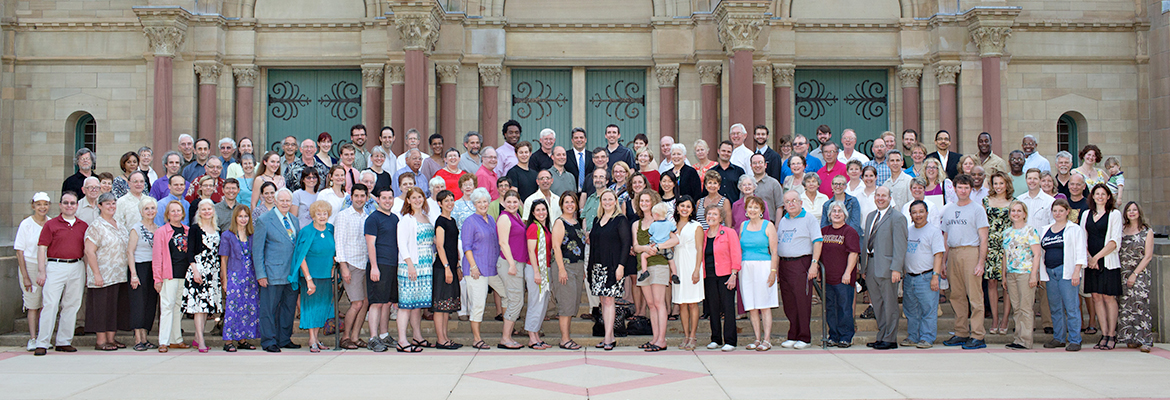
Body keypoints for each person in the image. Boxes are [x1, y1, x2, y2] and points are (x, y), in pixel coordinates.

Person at [32, 191, 89, 357]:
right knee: (50, 304)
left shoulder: (83, 226)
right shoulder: (51, 225)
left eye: (72, 203)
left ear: (77, 206)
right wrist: (42, 271)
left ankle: (64, 341)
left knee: (72, 304)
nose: (69, 206)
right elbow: (42, 248)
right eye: (66, 203)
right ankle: (42, 342)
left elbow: (86, 251)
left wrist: (86, 271)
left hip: (76, 265)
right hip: (55, 266)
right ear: (60, 205)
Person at [939, 175, 990, 350]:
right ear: (954, 188)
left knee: (975, 296)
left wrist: (980, 262)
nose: (963, 190)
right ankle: (961, 332)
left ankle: (977, 334)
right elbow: (945, 237)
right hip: (953, 252)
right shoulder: (948, 210)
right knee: (957, 295)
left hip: (971, 251)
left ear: (970, 189)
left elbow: (984, 238)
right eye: (960, 187)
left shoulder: (977, 209)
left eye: (966, 188)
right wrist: (943, 262)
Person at [859, 187, 907, 350]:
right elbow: (866, 242)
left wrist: (896, 269)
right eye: (878, 195)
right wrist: (864, 267)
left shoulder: (897, 217)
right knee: (877, 304)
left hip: (888, 267)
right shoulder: (871, 216)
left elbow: (900, 246)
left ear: (890, 197)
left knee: (889, 303)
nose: (880, 198)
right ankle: (882, 335)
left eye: (883, 196)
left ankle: (890, 338)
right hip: (871, 266)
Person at [254, 189, 301, 353]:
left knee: (288, 308)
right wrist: (261, 274)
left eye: (288, 201)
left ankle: (284, 338)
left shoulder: (294, 220)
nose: (285, 203)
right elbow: (257, 250)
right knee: (269, 309)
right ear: (275, 201)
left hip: (291, 274)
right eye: (282, 200)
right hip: (272, 273)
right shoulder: (264, 220)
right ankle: (269, 340)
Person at [81, 192, 129, 351]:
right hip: (102, 274)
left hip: (118, 274)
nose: (111, 206)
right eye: (107, 203)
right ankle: (101, 341)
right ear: (99, 206)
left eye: (113, 203)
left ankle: (111, 339)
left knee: (113, 307)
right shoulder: (96, 226)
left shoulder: (120, 225)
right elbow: (89, 251)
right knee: (101, 308)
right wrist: (96, 274)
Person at [288, 200, 336, 353]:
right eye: (319, 214)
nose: (322, 216)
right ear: (312, 215)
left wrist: (334, 267)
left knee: (322, 307)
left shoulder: (330, 229)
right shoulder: (307, 231)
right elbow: (301, 256)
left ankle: (316, 337)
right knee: (311, 308)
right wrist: (308, 279)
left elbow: (333, 251)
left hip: (326, 276)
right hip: (311, 276)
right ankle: (311, 339)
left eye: (325, 213)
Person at [776, 190, 822, 349]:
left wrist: (814, 264)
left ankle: (805, 337)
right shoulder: (783, 220)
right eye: (787, 201)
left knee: (802, 301)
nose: (791, 204)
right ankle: (793, 335)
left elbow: (817, 241)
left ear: (800, 202)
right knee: (789, 302)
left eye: (794, 200)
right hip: (784, 264)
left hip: (801, 263)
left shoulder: (809, 219)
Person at [631, 192, 677, 352]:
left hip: (658, 264)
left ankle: (662, 340)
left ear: (653, 202)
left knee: (659, 303)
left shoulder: (662, 221)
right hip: (642, 267)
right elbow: (635, 246)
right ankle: (655, 338)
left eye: (647, 200)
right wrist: (645, 248)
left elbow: (675, 240)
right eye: (641, 200)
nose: (644, 203)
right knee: (651, 304)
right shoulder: (636, 224)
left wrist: (657, 247)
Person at [589, 189, 633, 350]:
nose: (607, 202)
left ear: (615, 201)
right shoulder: (596, 220)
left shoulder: (620, 220)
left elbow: (625, 244)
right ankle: (610, 336)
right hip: (598, 267)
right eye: (604, 199)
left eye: (610, 199)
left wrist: (621, 266)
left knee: (609, 301)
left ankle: (608, 337)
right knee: (603, 301)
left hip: (613, 267)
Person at [1040, 199, 1086, 351]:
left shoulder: (1074, 229)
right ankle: (1059, 338)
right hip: (1050, 272)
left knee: (1071, 307)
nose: (1057, 214)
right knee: (1055, 307)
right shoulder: (1045, 229)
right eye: (1055, 211)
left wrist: (1076, 271)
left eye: (1061, 210)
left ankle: (1074, 339)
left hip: (1067, 272)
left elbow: (1080, 251)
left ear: (1067, 211)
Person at [735, 196, 780, 351]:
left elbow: (774, 251)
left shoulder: (768, 225)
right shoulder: (743, 225)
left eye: (756, 207)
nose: (752, 210)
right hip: (746, 267)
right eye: (750, 207)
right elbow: (740, 249)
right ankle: (757, 338)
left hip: (764, 266)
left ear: (761, 210)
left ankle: (767, 340)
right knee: (752, 305)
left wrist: (773, 271)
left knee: (764, 304)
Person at [1081, 183, 1123, 350]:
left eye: (1103, 194)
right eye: (1097, 194)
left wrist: (1097, 257)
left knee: (1108, 297)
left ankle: (1112, 334)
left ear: (1108, 197)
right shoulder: (1086, 214)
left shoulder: (1114, 214)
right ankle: (1104, 334)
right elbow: (1082, 239)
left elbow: (1114, 241)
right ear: (1092, 196)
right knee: (1096, 297)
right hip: (1091, 263)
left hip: (1108, 262)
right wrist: (1090, 258)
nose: (1100, 196)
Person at [395, 187, 435, 352]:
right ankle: (402, 340)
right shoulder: (406, 219)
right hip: (411, 266)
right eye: (414, 198)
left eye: (420, 197)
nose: (418, 200)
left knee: (417, 305)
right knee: (406, 305)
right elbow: (402, 244)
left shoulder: (426, 217)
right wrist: (410, 265)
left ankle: (417, 336)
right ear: (408, 200)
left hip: (426, 266)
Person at [698, 204, 741, 351]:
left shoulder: (728, 232)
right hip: (709, 276)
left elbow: (736, 253)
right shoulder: (703, 235)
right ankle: (715, 338)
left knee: (728, 308)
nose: (711, 217)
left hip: (726, 275)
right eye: (709, 214)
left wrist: (734, 274)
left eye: (715, 214)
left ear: (721, 217)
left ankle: (730, 341)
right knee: (713, 308)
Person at [217, 204, 260, 352]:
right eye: (240, 216)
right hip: (235, 275)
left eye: (246, 216)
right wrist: (225, 280)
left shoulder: (251, 235)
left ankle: (243, 339)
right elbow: (224, 259)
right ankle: (228, 341)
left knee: (248, 307)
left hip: (250, 276)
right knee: (233, 308)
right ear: (235, 217)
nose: (243, 219)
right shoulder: (227, 235)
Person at [1001, 200, 1043, 349]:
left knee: (1025, 308)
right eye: (1013, 211)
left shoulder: (1030, 231)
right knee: (1016, 308)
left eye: (1019, 211)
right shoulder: (1006, 233)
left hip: (1025, 273)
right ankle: (1018, 338)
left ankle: (1026, 340)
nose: (1016, 213)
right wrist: (1004, 275)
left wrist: (1033, 275)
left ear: (1024, 214)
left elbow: (1037, 254)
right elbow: (1005, 255)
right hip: (1011, 274)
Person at [903, 200, 945, 348]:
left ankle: (927, 337)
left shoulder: (933, 232)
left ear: (927, 213)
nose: (918, 215)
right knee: (911, 310)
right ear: (910, 215)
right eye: (914, 212)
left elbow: (938, 255)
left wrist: (935, 276)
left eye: (921, 211)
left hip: (926, 276)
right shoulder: (908, 230)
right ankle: (913, 336)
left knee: (928, 309)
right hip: (910, 277)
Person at [334, 184, 371, 350]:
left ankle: (355, 337)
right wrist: (343, 266)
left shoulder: (367, 216)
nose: (359, 199)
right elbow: (339, 242)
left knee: (365, 302)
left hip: (365, 263)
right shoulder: (343, 216)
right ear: (351, 197)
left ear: (367, 198)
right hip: (351, 263)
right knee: (356, 303)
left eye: (362, 196)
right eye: (356, 196)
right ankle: (345, 337)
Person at [14, 193, 51, 351]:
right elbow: (19, 252)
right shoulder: (26, 224)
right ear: (33, 206)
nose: (42, 207)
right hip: (30, 265)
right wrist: (26, 276)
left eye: (45, 204)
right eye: (39, 204)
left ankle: (43, 338)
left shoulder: (51, 223)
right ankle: (33, 338)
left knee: (46, 304)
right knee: (32, 304)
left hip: (48, 265)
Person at [122, 196, 160, 352]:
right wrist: (133, 274)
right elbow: (130, 252)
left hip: (153, 268)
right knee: (138, 302)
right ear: (141, 211)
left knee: (150, 303)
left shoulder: (158, 228)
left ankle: (146, 337)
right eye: (146, 208)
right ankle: (138, 338)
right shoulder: (136, 228)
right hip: (138, 267)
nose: (150, 211)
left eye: (152, 208)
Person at [364, 189, 400, 352]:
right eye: (384, 198)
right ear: (377, 199)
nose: (387, 201)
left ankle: (384, 335)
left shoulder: (394, 218)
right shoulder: (372, 219)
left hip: (393, 265)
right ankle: (373, 338)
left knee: (386, 303)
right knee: (376, 303)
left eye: (390, 198)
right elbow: (370, 244)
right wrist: (374, 267)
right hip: (379, 265)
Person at [184, 200, 222, 352]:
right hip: (198, 269)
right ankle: (201, 341)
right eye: (203, 209)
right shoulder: (195, 228)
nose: (207, 211)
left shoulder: (216, 228)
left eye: (209, 209)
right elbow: (190, 252)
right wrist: (195, 271)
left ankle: (196, 337)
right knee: (199, 308)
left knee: (206, 307)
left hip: (212, 271)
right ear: (199, 212)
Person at [151, 200, 189, 353]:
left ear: (182, 213)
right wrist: (157, 279)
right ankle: (164, 341)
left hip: (184, 275)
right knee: (167, 307)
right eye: (172, 211)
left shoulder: (187, 231)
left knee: (178, 308)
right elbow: (157, 257)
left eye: (178, 211)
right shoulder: (162, 232)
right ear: (167, 214)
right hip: (169, 275)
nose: (175, 214)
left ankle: (176, 339)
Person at [821, 201, 860, 348]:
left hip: (843, 278)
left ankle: (846, 336)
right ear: (829, 215)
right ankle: (834, 335)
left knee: (844, 307)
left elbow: (853, 253)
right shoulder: (824, 231)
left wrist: (848, 273)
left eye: (839, 211)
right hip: (828, 278)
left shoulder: (849, 232)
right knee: (831, 307)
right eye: (833, 211)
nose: (836, 214)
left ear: (845, 214)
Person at [549, 193, 585, 350]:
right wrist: (562, 269)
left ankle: (567, 337)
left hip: (577, 266)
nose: (570, 205)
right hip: (565, 266)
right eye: (566, 202)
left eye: (572, 202)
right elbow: (556, 247)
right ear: (561, 205)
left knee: (573, 303)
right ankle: (565, 339)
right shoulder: (559, 222)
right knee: (566, 305)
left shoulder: (577, 222)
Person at [494, 190, 528, 349]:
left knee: (516, 300)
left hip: (518, 262)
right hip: (509, 263)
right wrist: (512, 264)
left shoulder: (517, 216)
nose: (512, 205)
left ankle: (507, 337)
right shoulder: (504, 218)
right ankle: (505, 338)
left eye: (515, 202)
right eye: (509, 202)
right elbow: (503, 243)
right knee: (516, 300)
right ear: (504, 202)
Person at [1118, 201, 1154, 352]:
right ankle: (1131, 338)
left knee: (1140, 303)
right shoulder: (1122, 230)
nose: (1132, 212)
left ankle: (1145, 339)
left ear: (1139, 212)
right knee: (1126, 304)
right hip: (1122, 271)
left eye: (1134, 210)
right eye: (1129, 210)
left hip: (1139, 271)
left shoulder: (1147, 231)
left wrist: (1134, 274)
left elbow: (1148, 256)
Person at [670, 196, 704, 350]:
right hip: (678, 264)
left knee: (692, 303)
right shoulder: (672, 225)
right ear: (677, 207)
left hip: (691, 265)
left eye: (688, 206)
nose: (684, 208)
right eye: (682, 205)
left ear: (692, 210)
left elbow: (699, 249)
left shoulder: (696, 226)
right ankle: (685, 335)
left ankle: (693, 336)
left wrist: (697, 269)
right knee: (682, 302)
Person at [430, 190, 463, 349]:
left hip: (451, 265)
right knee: (440, 306)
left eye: (451, 200)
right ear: (439, 204)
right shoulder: (440, 221)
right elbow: (440, 247)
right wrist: (447, 268)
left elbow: (454, 245)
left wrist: (457, 266)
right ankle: (440, 339)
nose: (450, 203)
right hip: (442, 267)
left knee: (446, 307)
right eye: (446, 201)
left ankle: (445, 337)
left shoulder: (452, 220)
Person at [983, 171, 1014, 335]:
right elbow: (982, 225)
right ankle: (995, 318)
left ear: (1007, 184)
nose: (998, 186)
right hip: (990, 247)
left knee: (1007, 284)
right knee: (992, 283)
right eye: (995, 183)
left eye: (1001, 183)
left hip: (1008, 247)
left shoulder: (1014, 202)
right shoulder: (986, 201)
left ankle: (1005, 319)